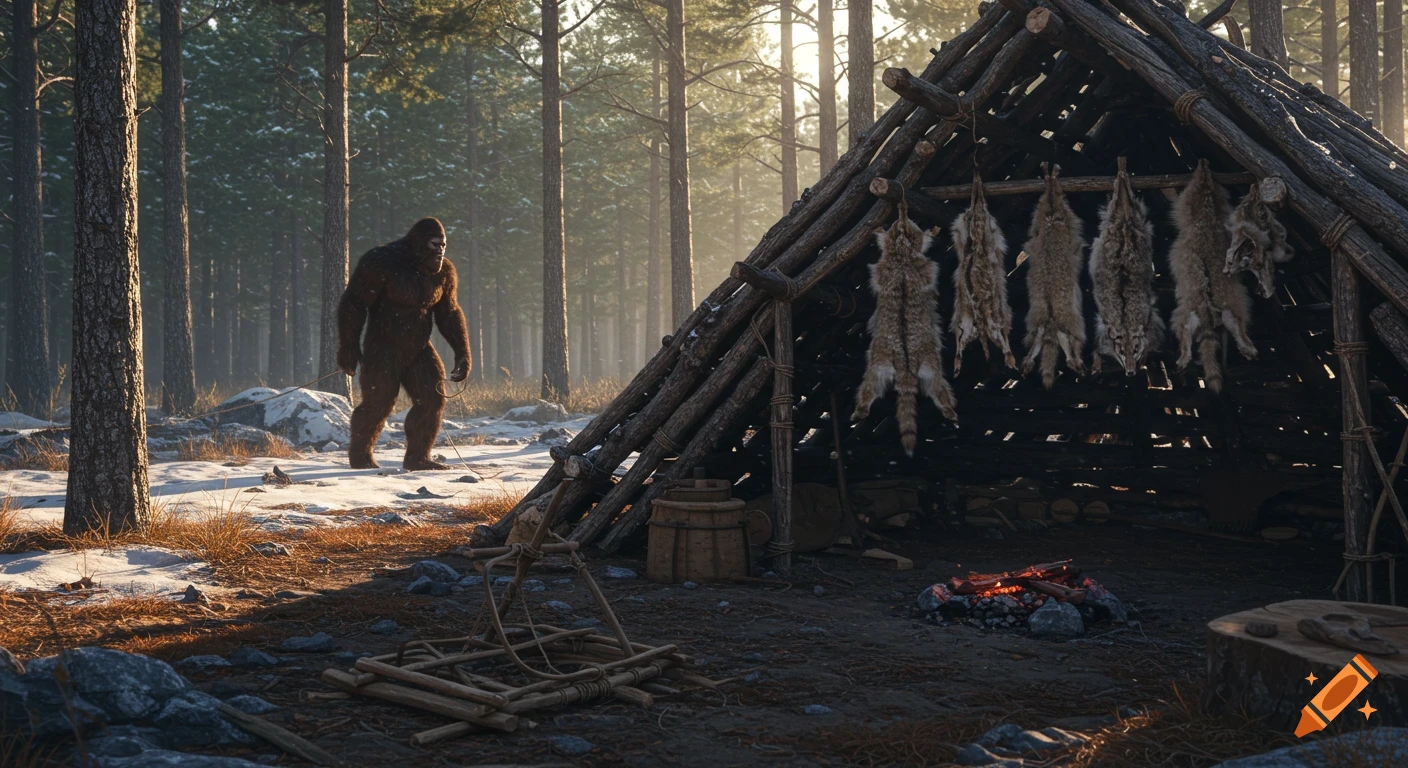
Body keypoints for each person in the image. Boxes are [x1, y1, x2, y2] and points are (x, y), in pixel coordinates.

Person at [336, 217, 469, 470]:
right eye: (434, 245)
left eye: (443, 245)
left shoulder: (444, 273)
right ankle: (360, 457)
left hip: (419, 348)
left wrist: (462, 352)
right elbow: (354, 303)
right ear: (419, 243)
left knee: (433, 400)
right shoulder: (382, 261)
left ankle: (418, 458)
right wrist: (348, 346)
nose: (440, 252)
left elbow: (449, 313)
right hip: (382, 347)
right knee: (378, 404)